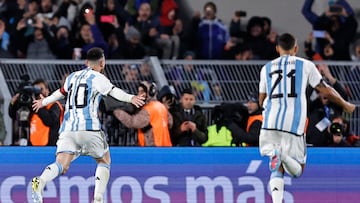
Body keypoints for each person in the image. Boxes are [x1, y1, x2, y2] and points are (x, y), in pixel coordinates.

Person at [30, 47, 145, 203]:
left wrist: (43, 102)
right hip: (89, 128)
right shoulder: (98, 77)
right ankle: (98, 198)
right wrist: (131, 98)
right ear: (102, 62)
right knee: (104, 160)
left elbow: (59, 93)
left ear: (86, 62)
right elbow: (114, 91)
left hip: (68, 129)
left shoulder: (72, 76)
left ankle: (41, 181)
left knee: (61, 164)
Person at [258, 33, 355, 203]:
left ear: (277, 48)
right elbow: (324, 90)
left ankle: (276, 198)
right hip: (293, 124)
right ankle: (282, 155)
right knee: (297, 170)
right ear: (296, 48)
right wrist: (345, 104)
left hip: (270, 121)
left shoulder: (266, 68)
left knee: (277, 165)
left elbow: (261, 100)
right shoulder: (306, 65)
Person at [113, 81, 173, 146]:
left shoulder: (149, 109)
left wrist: (116, 111)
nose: (139, 94)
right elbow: (170, 123)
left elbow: (132, 122)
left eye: (142, 91)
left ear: (149, 92)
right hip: (165, 146)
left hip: (153, 147)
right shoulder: (161, 106)